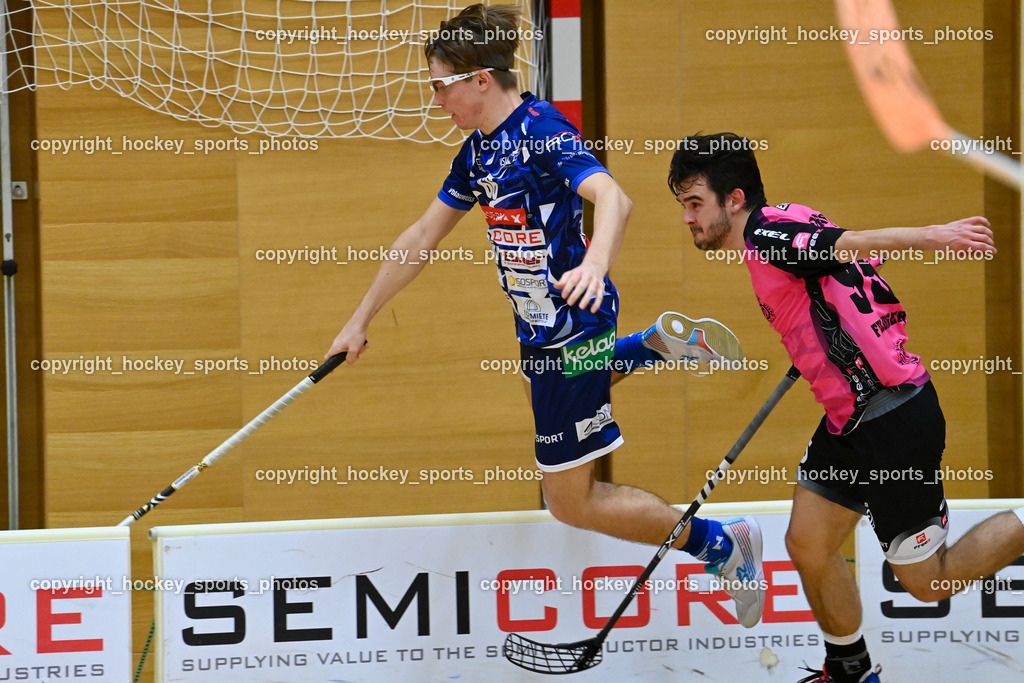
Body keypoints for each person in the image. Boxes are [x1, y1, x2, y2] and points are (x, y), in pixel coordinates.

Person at [325, 6, 764, 628]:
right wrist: (359, 318)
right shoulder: (477, 154)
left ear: (480, 80)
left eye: (440, 85)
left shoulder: (541, 130)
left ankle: (720, 543)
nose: (435, 100)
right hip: (540, 331)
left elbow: (614, 196)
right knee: (565, 389)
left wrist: (593, 263)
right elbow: (423, 235)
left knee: (569, 501)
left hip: (572, 324)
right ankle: (655, 346)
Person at [667, 132, 1024, 682]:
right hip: (849, 418)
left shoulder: (766, 236)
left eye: (695, 204)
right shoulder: (788, 218)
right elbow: (838, 274)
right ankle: (852, 671)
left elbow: (849, 246)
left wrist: (933, 236)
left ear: (734, 199)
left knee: (928, 582)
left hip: (892, 419)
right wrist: (809, 341)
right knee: (808, 543)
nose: (687, 218)